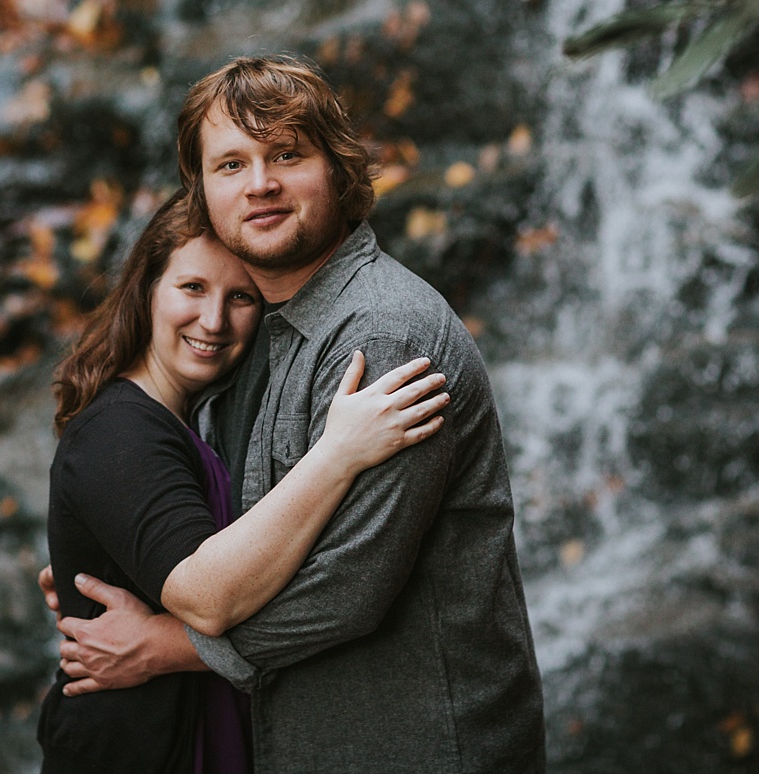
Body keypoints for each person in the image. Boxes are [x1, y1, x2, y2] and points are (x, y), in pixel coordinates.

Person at [43, 55, 547, 771]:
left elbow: (345, 587)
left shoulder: (382, 334)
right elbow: (227, 530)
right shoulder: (256, 339)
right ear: (203, 193)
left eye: (286, 153)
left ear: (338, 169)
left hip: (412, 746)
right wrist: (110, 553)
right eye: (231, 164)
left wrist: (163, 644)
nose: (261, 184)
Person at [37, 191, 450, 772]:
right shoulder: (121, 431)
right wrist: (339, 453)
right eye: (192, 288)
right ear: (147, 289)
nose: (214, 320)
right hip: (138, 746)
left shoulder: (192, 417)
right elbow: (207, 600)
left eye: (241, 298)